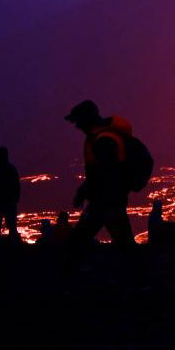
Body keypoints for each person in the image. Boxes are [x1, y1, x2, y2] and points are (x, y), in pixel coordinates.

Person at [64, 100, 139, 249]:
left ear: (87, 119)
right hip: (109, 201)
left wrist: (85, 192)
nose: (77, 126)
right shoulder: (103, 138)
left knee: (77, 241)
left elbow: (106, 173)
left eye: (78, 122)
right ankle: (138, 269)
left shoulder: (103, 141)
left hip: (105, 202)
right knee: (125, 243)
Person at [0, 147, 21, 242]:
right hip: (7, 201)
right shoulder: (11, 169)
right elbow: (16, 185)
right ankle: (13, 244)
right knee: (10, 225)